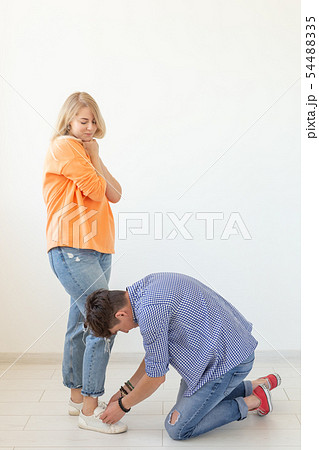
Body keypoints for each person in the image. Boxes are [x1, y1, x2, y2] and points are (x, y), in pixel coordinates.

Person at [85, 272, 281, 440]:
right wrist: (126, 389)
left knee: (178, 428)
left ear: (120, 315)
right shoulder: (146, 287)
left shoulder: (149, 313)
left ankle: (254, 401)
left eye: (118, 330)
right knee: (194, 407)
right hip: (224, 354)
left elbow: (156, 377)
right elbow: (156, 357)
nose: (125, 332)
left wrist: (123, 405)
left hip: (227, 363)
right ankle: (256, 385)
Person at [43, 92, 127, 434]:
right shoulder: (63, 146)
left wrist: (96, 156)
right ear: (68, 121)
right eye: (83, 120)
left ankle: (78, 398)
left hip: (97, 248)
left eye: (93, 120)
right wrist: (94, 158)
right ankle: (91, 409)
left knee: (81, 322)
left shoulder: (87, 151)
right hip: (72, 246)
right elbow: (96, 189)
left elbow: (116, 193)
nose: (90, 127)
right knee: (103, 322)